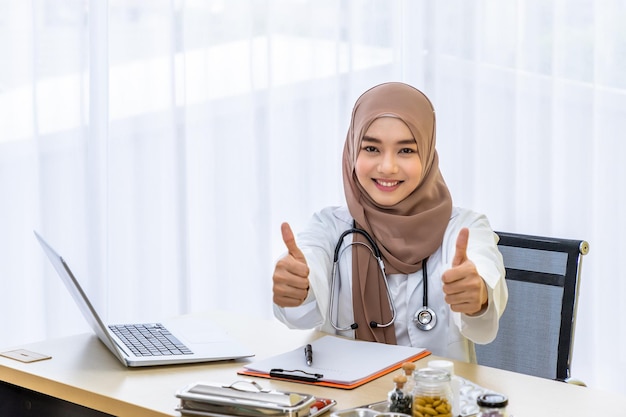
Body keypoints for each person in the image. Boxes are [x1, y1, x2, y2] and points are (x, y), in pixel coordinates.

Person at [271, 82, 507, 362]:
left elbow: (483, 278)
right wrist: (298, 286)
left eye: (406, 151)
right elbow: (307, 277)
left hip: (434, 401)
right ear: (352, 151)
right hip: (350, 401)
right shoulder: (329, 227)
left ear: (429, 154)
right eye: (371, 148)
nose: (387, 167)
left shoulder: (464, 228)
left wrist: (477, 295)